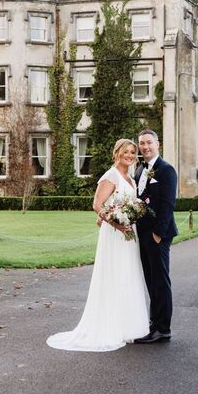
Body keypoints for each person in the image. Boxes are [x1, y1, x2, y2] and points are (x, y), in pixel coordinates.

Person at [46, 139, 149, 352]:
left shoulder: (130, 177)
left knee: (127, 276)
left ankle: (127, 327)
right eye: (125, 152)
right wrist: (115, 222)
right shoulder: (111, 175)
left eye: (133, 152)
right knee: (113, 276)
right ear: (117, 153)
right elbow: (97, 204)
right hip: (114, 234)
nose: (129, 155)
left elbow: (124, 204)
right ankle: (110, 326)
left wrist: (130, 216)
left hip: (129, 233)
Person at [133, 129, 178, 343]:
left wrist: (159, 233)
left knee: (161, 281)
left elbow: (168, 204)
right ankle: (154, 323)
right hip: (142, 234)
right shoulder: (140, 169)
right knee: (151, 281)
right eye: (142, 143)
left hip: (158, 235)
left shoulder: (166, 170)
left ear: (157, 144)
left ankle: (163, 328)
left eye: (149, 142)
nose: (145, 147)